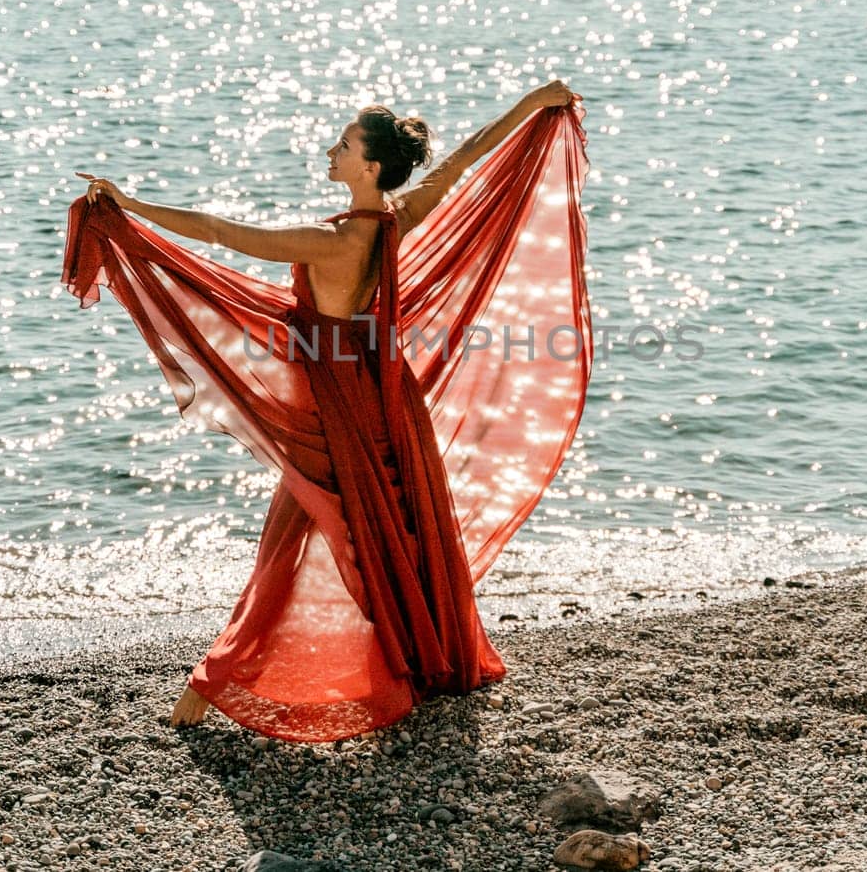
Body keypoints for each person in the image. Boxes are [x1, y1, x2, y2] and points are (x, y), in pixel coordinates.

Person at [62, 80, 593, 742]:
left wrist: (132, 206)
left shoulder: (332, 240)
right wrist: (533, 104)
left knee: (297, 531)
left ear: (370, 166)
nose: (331, 151)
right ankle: (421, 658)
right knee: (388, 525)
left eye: (343, 145)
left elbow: (224, 232)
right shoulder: (398, 216)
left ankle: (216, 679)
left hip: (341, 401)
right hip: (388, 389)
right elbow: (465, 158)